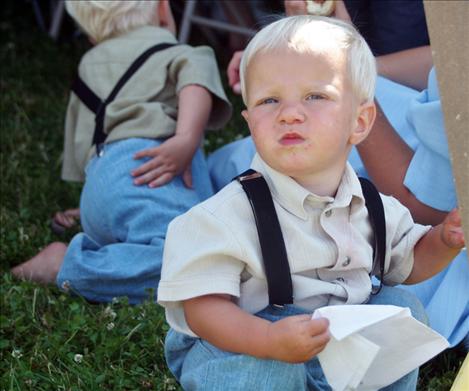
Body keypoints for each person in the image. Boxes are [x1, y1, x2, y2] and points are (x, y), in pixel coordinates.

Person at [157, 15, 466, 390]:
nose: (289, 113)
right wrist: (268, 341)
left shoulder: (372, 206)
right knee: (268, 372)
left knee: (405, 308)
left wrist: (444, 242)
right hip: (240, 345)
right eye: (269, 100)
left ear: (360, 121)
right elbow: (203, 310)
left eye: (314, 96)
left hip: (330, 344)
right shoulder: (228, 216)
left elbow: (409, 261)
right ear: (250, 121)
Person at [11, 0, 232, 304]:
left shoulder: (89, 63)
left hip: (100, 178)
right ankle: (69, 265)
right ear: (163, 9)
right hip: (150, 169)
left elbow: (81, 131)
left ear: (90, 34)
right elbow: (195, 83)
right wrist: (185, 138)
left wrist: (91, 202)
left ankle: (107, 245)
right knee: (195, 261)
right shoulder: (180, 52)